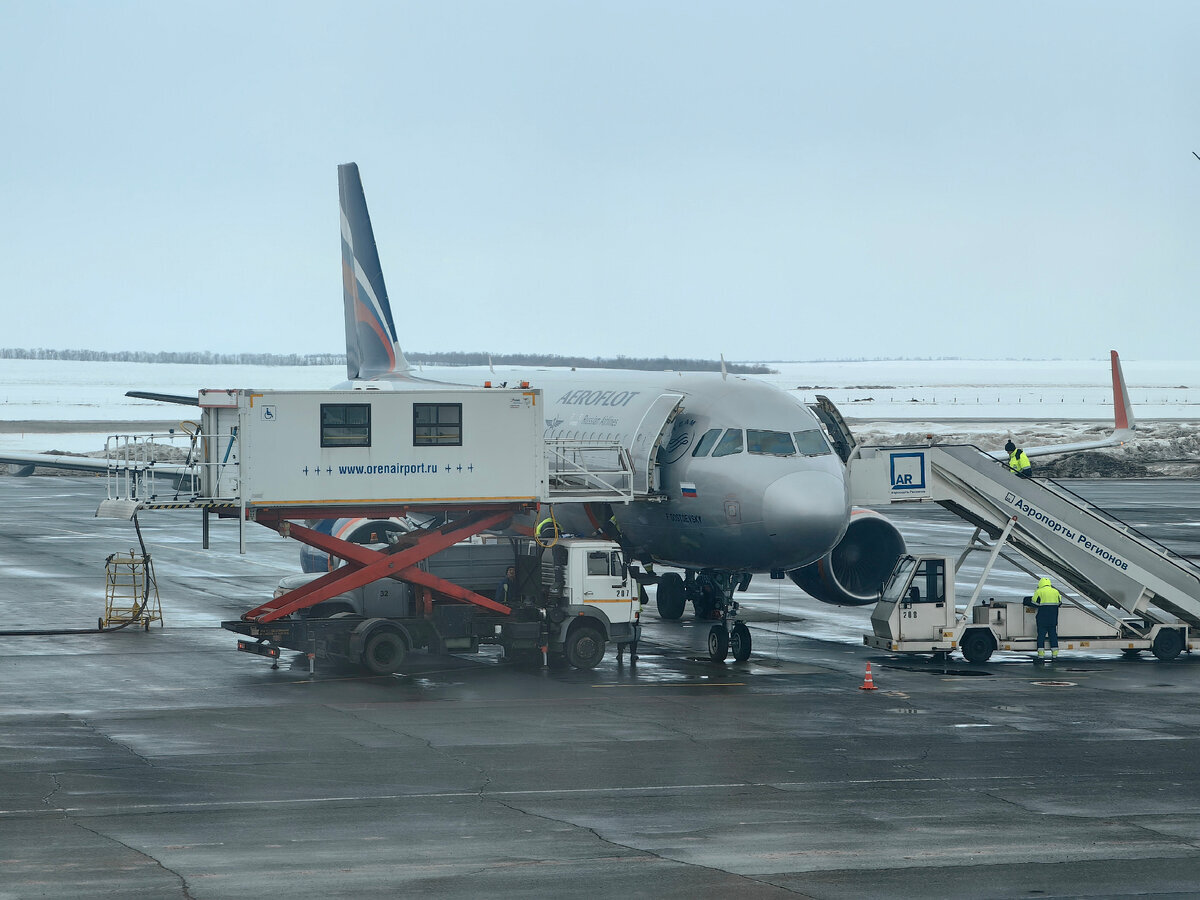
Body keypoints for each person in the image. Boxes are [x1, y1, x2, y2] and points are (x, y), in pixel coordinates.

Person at [1030, 576, 1062, 660]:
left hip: (1042, 619)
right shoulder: (1056, 591)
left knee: (1041, 636)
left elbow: (1034, 603)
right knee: (1053, 636)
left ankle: (1041, 654)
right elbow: (1059, 603)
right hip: (1053, 619)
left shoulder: (1039, 591)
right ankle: (1055, 653)